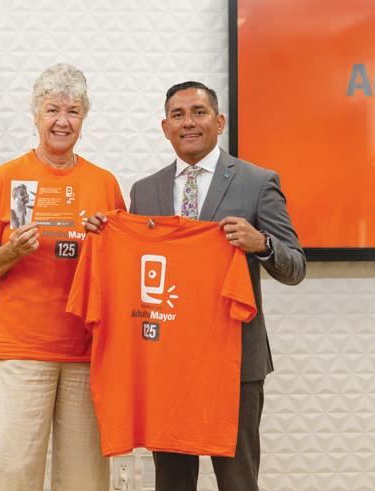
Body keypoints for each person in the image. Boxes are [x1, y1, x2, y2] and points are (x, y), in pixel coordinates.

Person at [85, 81, 306, 490]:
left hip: (234, 361)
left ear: (219, 122)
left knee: (237, 481)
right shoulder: (145, 190)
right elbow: (139, 265)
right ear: (165, 127)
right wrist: (106, 232)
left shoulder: (258, 182)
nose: (188, 122)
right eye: (178, 115)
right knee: (172, 481)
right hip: (167, 361)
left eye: (199, 112)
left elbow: (295, 267)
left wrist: (262, 243)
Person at [0, 63, 125, 491]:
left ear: (84, 118)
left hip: (87, 351)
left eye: (73, 111)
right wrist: (11, 251)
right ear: (36, 115)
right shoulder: (7, 178)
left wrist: (104, 244)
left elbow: (122, 271)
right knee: (16, 474)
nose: (62, 121)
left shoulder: (104, 183)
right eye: (53, 110)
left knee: (85, 478)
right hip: (21, 349)